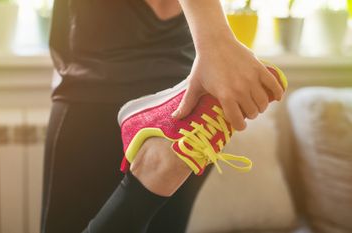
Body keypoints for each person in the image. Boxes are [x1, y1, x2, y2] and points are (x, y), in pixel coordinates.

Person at [41, 0, 284, 232]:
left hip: (95, 88)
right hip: (191, 112)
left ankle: (154, 167)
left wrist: (217, 42)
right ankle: (155, 168)